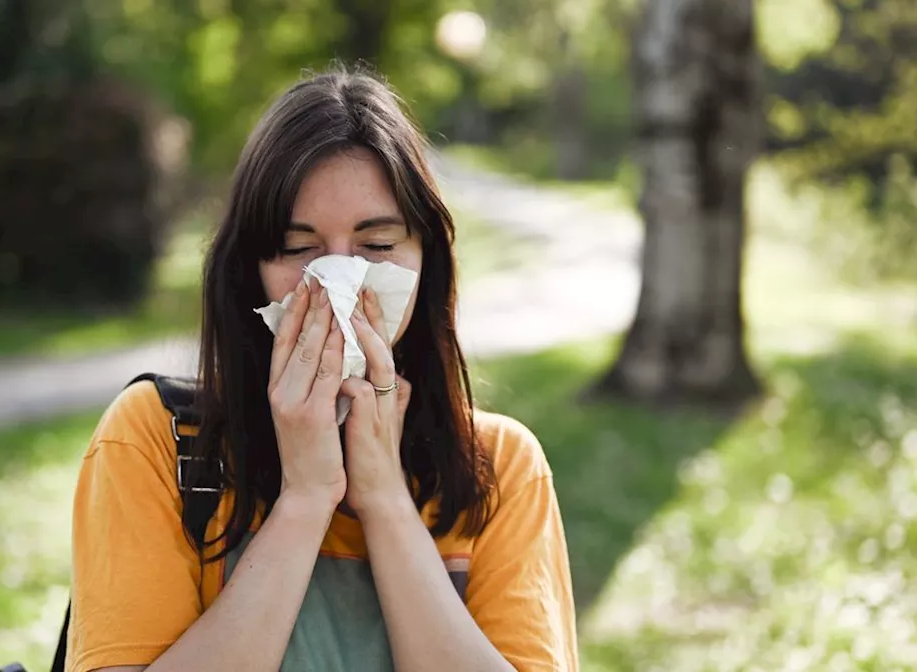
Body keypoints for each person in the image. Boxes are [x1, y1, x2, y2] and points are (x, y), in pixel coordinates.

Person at [67, 66, 577, 672]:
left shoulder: (498, 467)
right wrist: (307, 498)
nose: (338, 283)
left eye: (379, 246)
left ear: (426, 263)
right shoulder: (157, 439)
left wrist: (385, 499)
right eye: (298, 248)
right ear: (248, 268)